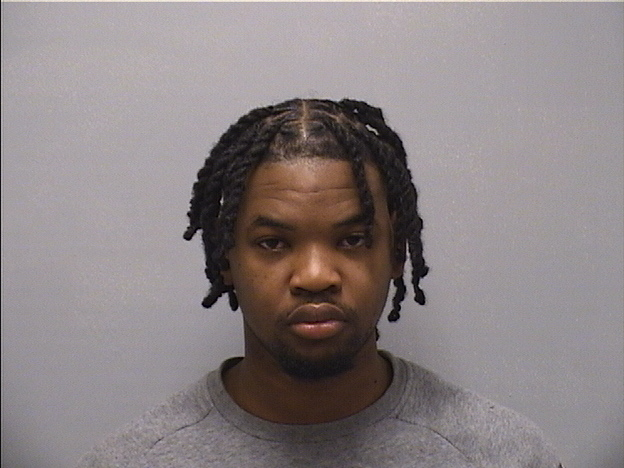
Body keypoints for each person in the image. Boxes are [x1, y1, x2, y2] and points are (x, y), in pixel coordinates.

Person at [77, 98, 562, 467]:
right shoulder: (132, 460)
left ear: (396, 254)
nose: (315, 276)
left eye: (352, 240)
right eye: (272, 243)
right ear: (225, 258)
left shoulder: (503, 455)